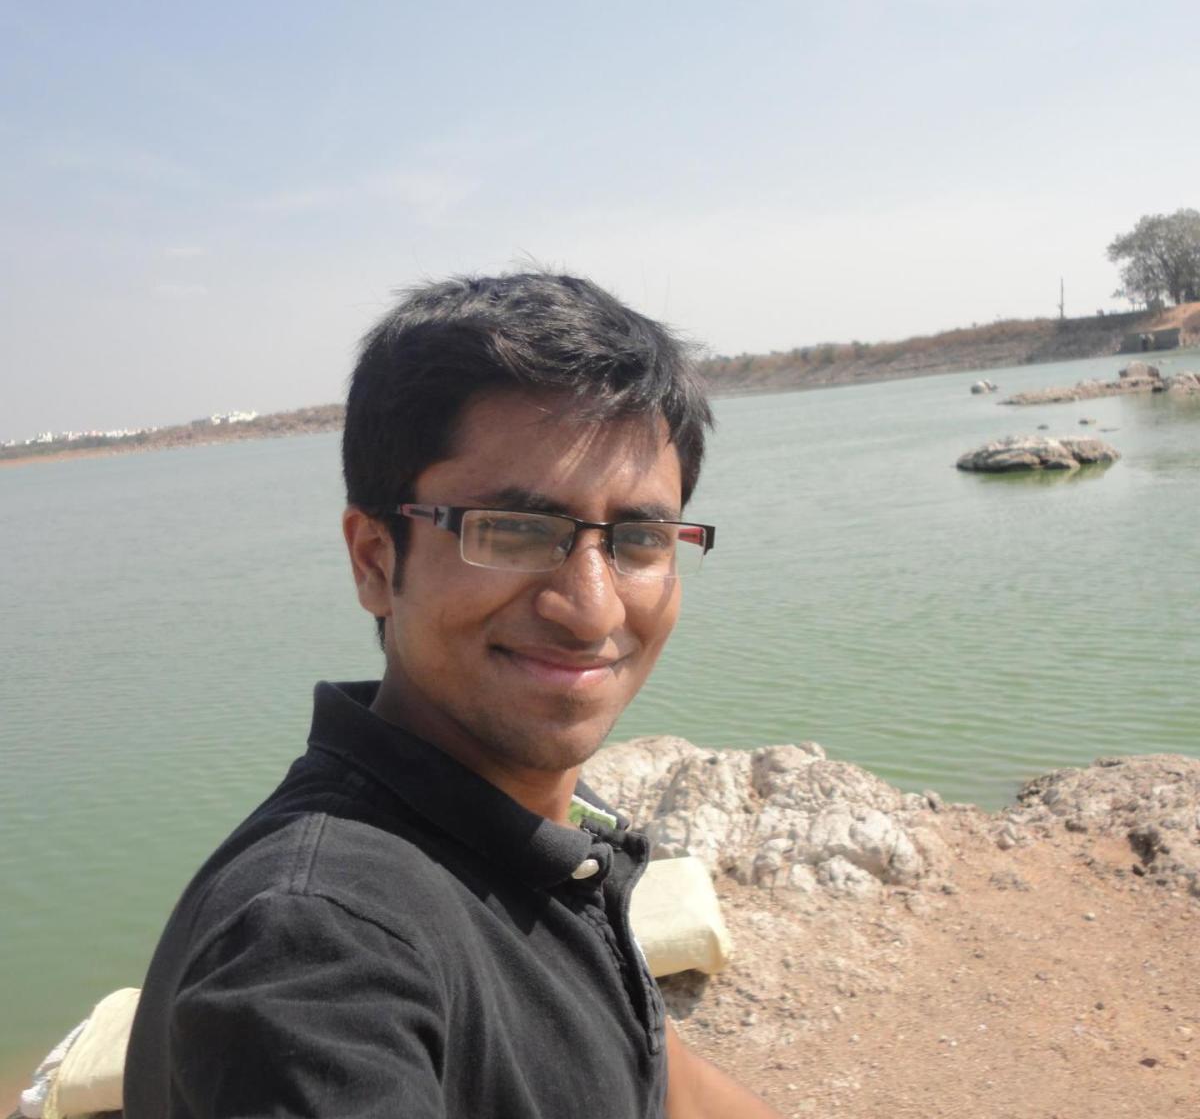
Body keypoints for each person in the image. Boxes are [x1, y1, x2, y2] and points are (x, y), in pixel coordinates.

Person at [124, 272, 782, 1118]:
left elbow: (665, 1083)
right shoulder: (316, 948)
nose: (592, 609)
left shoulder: (529, 833)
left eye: (640, 539)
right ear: (374, 560)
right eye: (513, 531)